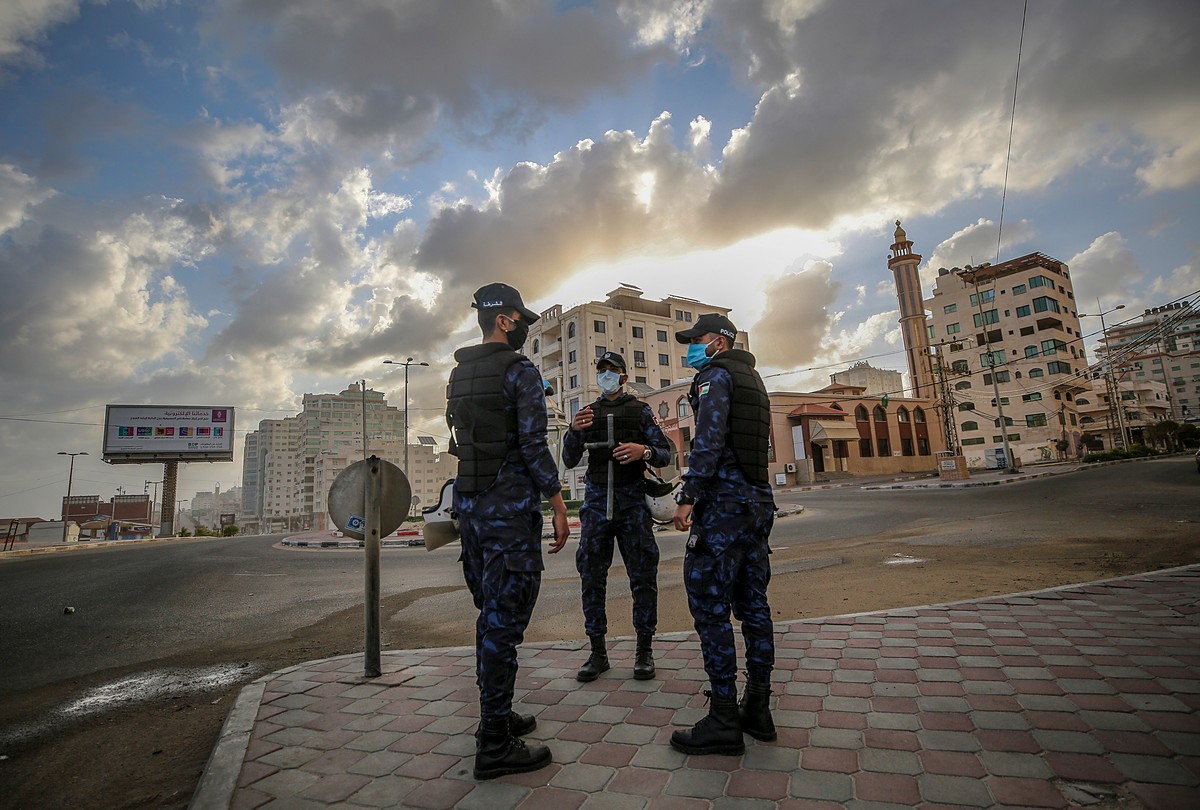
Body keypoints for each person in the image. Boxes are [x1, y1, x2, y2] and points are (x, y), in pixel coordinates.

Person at [445, 282, 570, 780]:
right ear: (504, 319)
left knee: (490, 616)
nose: (525, 327)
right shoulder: (520, 372)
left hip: (472, 508)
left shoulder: (459, 375)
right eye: (522, 318)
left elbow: (462, 440)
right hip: (509, 512)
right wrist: (558, 504)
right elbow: (535, 446)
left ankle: (495, 717)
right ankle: (495, 742)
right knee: (505, 620)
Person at [669, 313, 777, 756]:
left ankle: (723, 718)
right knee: (753, 604)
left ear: (718, 341)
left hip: (724, 507)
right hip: (757, 502)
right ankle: (758, 708)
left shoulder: (714, 377)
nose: (692, 347)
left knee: (710, 608)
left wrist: (689, 495)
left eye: (697, 340)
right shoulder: (753, 377)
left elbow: (708, 441)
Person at [562, 351, 673, 682]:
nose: (606, 375)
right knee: (591, 578)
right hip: (597, 504)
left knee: (642, 577)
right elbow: (568, 460)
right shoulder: (587, 414)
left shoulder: (641, 411)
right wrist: (572, 430)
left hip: (632, 504)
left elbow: (665, 454)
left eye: (612, 370)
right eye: (601, 371)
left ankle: (644, 651)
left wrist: (645, 451)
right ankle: (598, 652)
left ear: (624, 376)